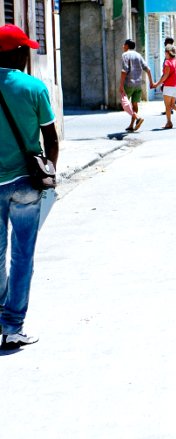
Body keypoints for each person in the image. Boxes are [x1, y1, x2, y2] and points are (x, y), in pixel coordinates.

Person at [0, 25, 59, 349]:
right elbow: (51, 139)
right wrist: (48, 175)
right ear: (19, 53)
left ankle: (0, 317)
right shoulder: (34, 88)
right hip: (25, 182)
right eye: (27, 50)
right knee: (22, 256)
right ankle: (12, 327)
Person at [152, 44, 176, 129]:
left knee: (167, 106)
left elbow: (165, 76)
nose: (164, 54)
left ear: (167, 52)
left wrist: (156, 84)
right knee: (172, 105)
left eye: (165, 52)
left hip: (169, 86)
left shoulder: (167, 62)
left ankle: (169, 123)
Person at [118, 38, 153, 132]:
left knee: (124, 103)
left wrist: (121, 85)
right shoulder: (138, 55)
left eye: (124, 44)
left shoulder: (125, 55)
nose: (122, 46)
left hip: (128, 84)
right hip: (138, 84)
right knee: (135, 104)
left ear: (127, 46)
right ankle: (131, 125)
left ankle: (137, 118)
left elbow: (124, 71)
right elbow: (148, 69)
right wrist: (151, 82)